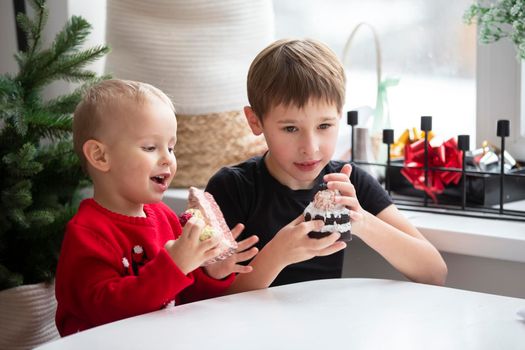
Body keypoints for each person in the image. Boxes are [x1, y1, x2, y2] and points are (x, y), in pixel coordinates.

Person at [205, 39, 448, 292]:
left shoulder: (349, 183)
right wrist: (277, 255)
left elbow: (433, 272)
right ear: (255, 121)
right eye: (290, 128)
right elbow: (210, 301)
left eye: (324, 126)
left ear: (340, 116)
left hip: (327, 325)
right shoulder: (231, 188)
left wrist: (360, 220)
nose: (310, 147)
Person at [55, 79, 258, 336]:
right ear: (100, 156)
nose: (168, 159)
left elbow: (184, 298)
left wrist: (212, 273)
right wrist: (173, 266)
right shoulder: (87, 233)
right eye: (150, 147)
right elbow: (106, 312)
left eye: (171, 147)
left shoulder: (165, 218)